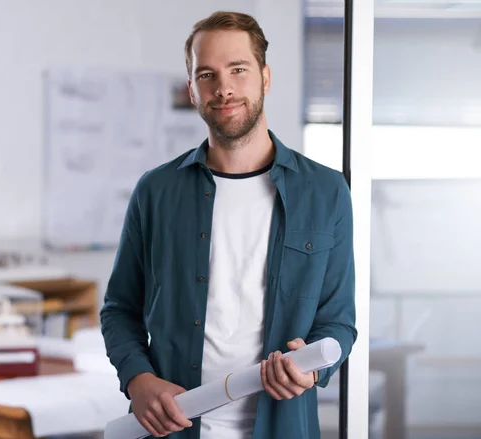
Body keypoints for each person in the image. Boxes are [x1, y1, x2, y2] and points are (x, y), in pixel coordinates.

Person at [100, 10, 357, 439]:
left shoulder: (326, 191)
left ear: (265, 77)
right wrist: (137, 380)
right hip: (174, 429)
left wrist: (314, 368)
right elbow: (119, 310)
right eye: (207, 75)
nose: (223, 88)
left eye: (238, 69)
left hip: (283, 427)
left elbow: (339, 322)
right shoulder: (156, 191)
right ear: (192, 90)